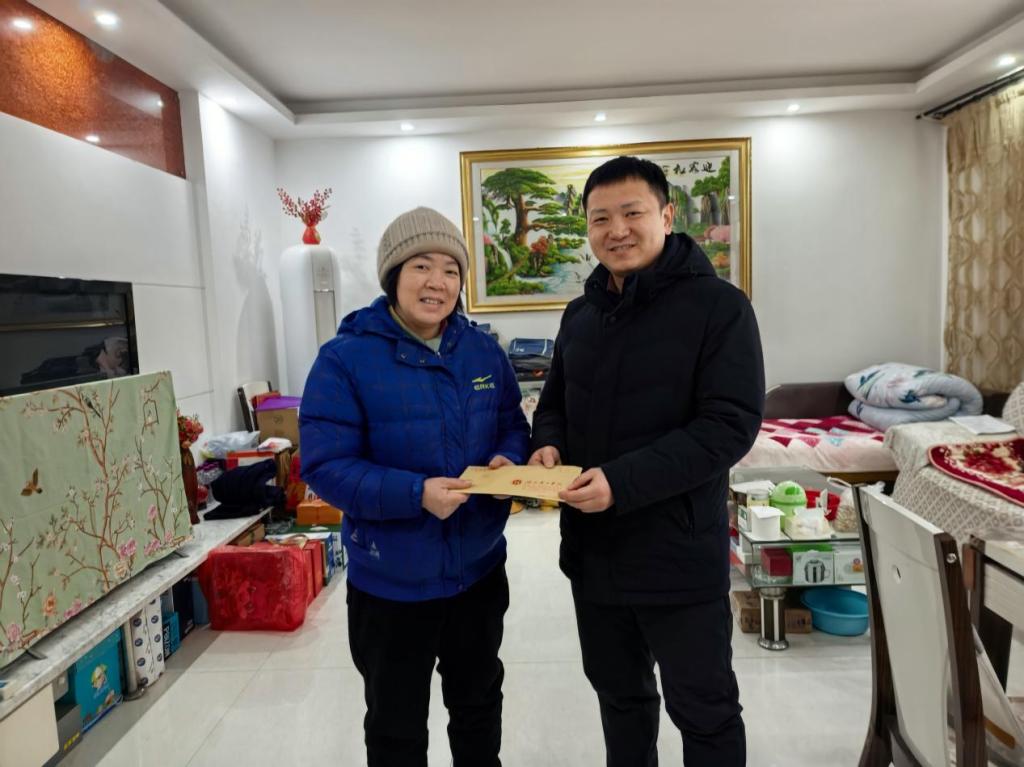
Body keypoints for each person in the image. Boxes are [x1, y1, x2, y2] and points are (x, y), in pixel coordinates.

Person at [529, 156, 764, 766]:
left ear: (666, 214)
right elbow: (553, 404)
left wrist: (620, 482)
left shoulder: (719, 307)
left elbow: (729, 426)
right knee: (621, 700)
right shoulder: (581, 314)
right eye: (600, 218)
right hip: (594, 555)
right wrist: (548, 443)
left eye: (632, 213)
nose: (617, 230)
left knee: (705, 711)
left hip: (677, 555)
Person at [300, 207, 530, 767]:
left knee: (478, 708)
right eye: (421, 266)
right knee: (395, 725)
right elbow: (326, 465)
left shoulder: (482, 351)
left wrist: (509, 458)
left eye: (451, 270)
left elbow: (511, 423)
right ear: (394, 276)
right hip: (391, 583)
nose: (437, 282)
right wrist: (415, 494)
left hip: (477, 571)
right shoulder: (344, 360)